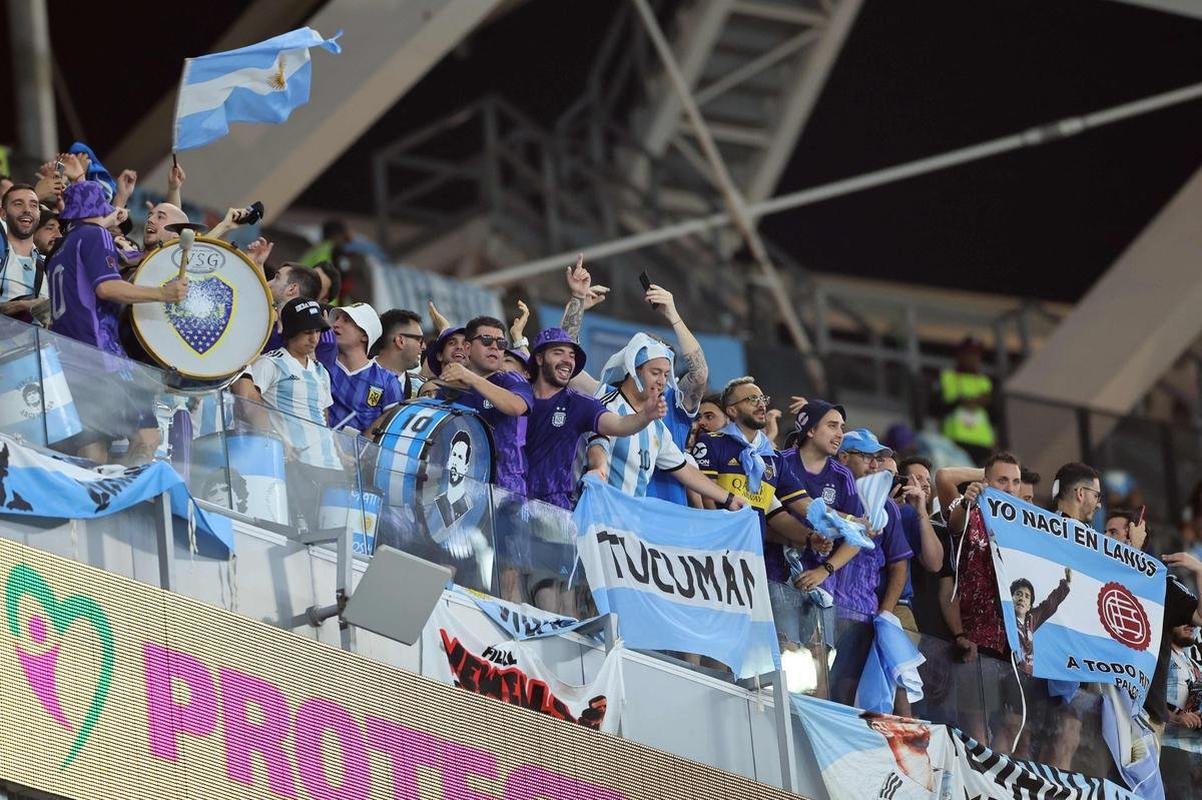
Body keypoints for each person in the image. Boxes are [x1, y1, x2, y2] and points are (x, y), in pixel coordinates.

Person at [47, 182, 186, 462]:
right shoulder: (95, 235)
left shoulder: (61, 249)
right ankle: (125, 503)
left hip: (69, 359)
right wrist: (162, 293)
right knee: (148, 436)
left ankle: (96, 499)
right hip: (101, 355)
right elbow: (107, 288)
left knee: (93, 445)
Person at [559, 257, 707, 507]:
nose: (659, 377)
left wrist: (672, 314)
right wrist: (577, 303)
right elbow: (565, 364)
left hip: (666, 520)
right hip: (616, 518)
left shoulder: (675, 400)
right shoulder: (605, 398)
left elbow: (700, 373)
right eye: (651, 366)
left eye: (664, 368)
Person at [584, 334, 745, 510]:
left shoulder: (657, 426)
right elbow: (597, 445)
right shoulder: (606, 406)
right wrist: (597, 468)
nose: (662, 381)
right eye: (655, 373)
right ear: (633, 369)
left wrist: (729, 498)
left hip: (633, 523)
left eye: (666, 374)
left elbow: (684, 470)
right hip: (600, 514)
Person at [773, 401, 864, 693]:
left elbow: (857, 536)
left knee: (819, 661)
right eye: (832, 425)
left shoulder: (842, 476)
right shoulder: (779, 462)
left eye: (842, 427)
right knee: (782, 652)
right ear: (810, 430)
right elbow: (765, 515)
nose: (840, 434)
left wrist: (825, 570)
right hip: (776, 574)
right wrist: (800, 537)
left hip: (821, 583)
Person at [933, 452, 1022, 745]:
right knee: (977, 726)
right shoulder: (970, 510)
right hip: (975, 640)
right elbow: (945, 477)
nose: (1010, 488)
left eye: (1016, 482)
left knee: (1013, 727)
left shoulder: (1027, 527)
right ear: (985, 481)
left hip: (1013, 645)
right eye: (1003, 480)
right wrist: (978, 485)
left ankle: (1000, 789)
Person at [524, 328, 665, 509]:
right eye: (558, 353)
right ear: (539, 358)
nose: (567, 360)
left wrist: (645, 416)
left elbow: (619, 424)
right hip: (507, 495)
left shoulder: (580, 403)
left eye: (572, 355)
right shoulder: (518, 394)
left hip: (555, 508)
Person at [231, 298, 337, 529]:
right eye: (307, 332)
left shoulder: (322, 372)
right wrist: (275, 439)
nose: (314, 338)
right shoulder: (270, 363)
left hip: (330, 466)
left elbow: (324, 417)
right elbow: (248, 400)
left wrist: (339, 454)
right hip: (295, 464)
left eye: (317, 331)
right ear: (291, 332)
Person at [831, 428, 913, 707]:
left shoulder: (887, 506)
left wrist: (885, 613)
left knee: (850, 688)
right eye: (866, 457)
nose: (875, 465)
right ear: (843, 457)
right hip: (821, 607)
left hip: (863, 614)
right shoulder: (827, 494)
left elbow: (899, 564)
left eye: (877, 458)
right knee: (816, 684)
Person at [435, 316, 532, 496]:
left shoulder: (511, 379)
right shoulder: (450, 388)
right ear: (467, 348)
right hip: (460, 485)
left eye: (501, 343)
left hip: (505, 489)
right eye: (486, 340)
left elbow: (517, 406)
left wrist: (470, 377)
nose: (494, 347)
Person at [328, 302, 401, 435]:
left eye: (346, 320)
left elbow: (389, 429)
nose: (336, 324)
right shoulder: (322, 365)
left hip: (358, 454)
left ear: (365, 335)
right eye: (337, 319)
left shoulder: (388, 381)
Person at [938, 336, 996, 463]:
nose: (974, 358)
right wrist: (972, 400)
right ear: (960, 355)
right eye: (970, 353)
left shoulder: (984, 381)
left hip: (982, 443)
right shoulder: (948, 376)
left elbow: (991, 410)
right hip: (955, 440)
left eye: (977, 354)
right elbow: (946, 403)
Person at [0, 184, 47, 318]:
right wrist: (19, 306)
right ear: (3, 214)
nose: (27, 210)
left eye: (33, 205)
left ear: (39, 213)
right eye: (18, 204)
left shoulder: (49, 265)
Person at [1011, 571, 1071, 675]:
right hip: (1005, 670)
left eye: (1026, 596)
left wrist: (1066, 584)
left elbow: (1049, 604)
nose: (1022, 598)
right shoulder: (1003, 617)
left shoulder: (1031, 619)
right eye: (1018, 594)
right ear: (1010, 598)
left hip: (1027, 676)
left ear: (1029, 606)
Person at [372, 308, 426, 398]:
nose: (424, 346)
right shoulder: (357, 376)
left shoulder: (421, 388)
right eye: (419, 340)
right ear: (400, 341)